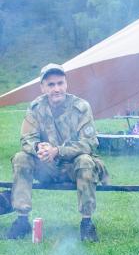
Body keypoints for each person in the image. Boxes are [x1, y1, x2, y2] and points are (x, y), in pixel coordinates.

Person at [6, 63, 108, 242]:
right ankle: (22, 220)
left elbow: (89, 143)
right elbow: (27, 138)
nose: (56, 89)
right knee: (21, 158)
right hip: (47, 167)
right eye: (51, 84)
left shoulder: (81, 107)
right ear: (43, 87)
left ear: (66, 84)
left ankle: (87, 223)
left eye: (60, 83)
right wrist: (39, 148)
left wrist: (57, 151)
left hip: (74, 168)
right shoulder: (36, 107)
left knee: (85, 160)